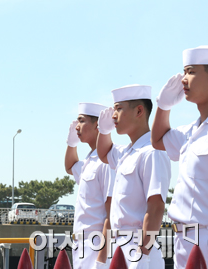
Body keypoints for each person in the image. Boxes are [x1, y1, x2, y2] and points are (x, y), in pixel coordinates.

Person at [96, 85, 170, 268]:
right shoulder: (127, 152)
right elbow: (104, 153)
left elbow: (155, 208)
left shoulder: (152, 152)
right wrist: (104, 131)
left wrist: (142, 254)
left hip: (138, 246)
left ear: (139, 111)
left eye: (119, 109)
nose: (114, 115)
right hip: (120, 245)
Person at [151, 46, 208, 268]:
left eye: (191, 72)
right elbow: (158, 140)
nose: (184, 80)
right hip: (183, 237)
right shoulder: (189, 132)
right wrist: (163, 107)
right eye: (184, 72)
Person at [64, 103, 115, 269]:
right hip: (81, 244)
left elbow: (111, 213)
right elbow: (70, 166)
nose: (77, 126)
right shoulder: (90, 160)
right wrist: (71, 144)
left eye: (81, 120)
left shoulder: (107, 161)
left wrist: (101, 259)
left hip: (95, 243)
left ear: (97, 125)